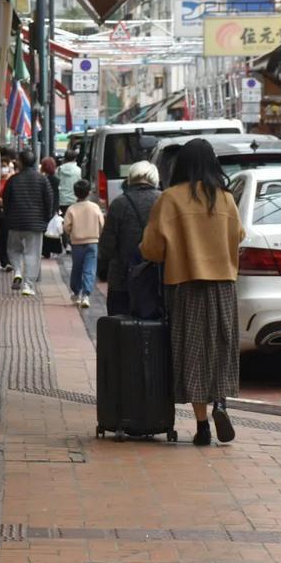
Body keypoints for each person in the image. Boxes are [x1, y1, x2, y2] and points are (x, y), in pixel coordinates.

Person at [140, 139, 244, 447]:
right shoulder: (225, 199)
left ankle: (202, 426)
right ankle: (221, 403)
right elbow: (238, 236)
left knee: (192, 351)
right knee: (221, 346)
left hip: (184, 284)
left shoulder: (170, 199)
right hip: (223, 284)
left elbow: (152, 248)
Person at [97, 161, 161, 316]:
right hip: (157, 279)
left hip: (122, 278)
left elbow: (107, 246)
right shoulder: (163, 201)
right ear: (155, 178)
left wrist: (103, 270)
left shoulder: (120, 203)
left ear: (131, 178)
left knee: (121, 329)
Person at [1, 149, 53, 297]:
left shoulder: (13, 180)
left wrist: (8, 217)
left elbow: (6, 201)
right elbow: (49, 201)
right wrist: (45, 219)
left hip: (15, 223)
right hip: (35, 224)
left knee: (13, 249)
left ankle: (17, 270)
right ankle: (28, 286)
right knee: (32, 254)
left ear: (21, 162)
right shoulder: (42, 180)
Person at [63, 179, 103, 307]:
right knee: (90, 269)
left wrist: (71, 234)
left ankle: (76, 292)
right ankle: (86, 295)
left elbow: (66, 227)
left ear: (75, 193)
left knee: (77, 267)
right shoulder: (95, 207)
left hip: (76, 243)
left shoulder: (72, 208)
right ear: (89, 192)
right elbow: (102, 224)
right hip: (92, 242)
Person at [40, 156, 63, 258]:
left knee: (46, 229)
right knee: (53, 229)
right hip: (54, 206)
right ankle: (54, 249)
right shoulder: (56, 180)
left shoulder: (43, 179)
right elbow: (57, 195)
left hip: (45, 206)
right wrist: (56, 208)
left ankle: (46, 251)